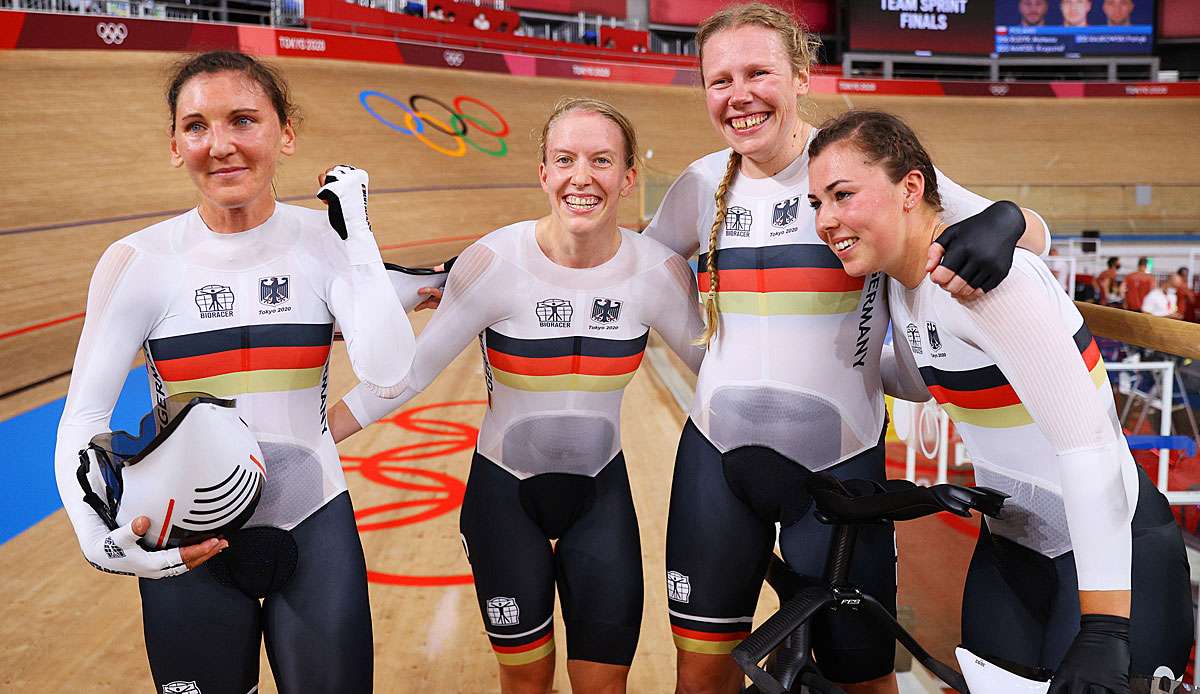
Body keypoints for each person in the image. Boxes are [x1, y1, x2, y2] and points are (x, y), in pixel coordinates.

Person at [641, 5, 1051, 693]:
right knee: (702, 672)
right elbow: (642, 274)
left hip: (839, 465)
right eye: (720, 80)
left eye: (758, 72)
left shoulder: (860, 167)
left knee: (861, 676)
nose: (739, 94)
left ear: (802, 74)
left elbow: (1035, 233)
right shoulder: (700, 181)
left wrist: (1007, 220)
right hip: (715, 460)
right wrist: (704, 354)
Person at [53, 51, 416, 694]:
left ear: (286, 133)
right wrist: (93, 537)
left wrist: (358, 237)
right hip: (183, 541)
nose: (220, 145)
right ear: (175, 145)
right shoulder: (137, 261)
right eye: (196, 127)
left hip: (312, 520)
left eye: (243, 120)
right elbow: (83, 416)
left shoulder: (327, 242)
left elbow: (388, 369)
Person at [807, 109, 1192, 693]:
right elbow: (928, 377)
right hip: (1012, 544)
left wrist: (1108, 627)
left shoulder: (989, 280)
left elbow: (1087, 445)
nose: (825, 220)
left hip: (1112, 553)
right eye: (816, 202)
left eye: (842, 195)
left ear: (911, 189)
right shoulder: (905, 284)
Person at [329, 98, 706, 694]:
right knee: (526, 683)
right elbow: (406, 375)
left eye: (601, 160)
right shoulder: (494, 261)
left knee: (604, 686)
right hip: (504, 500)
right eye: (565, 160)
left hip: (600, 500)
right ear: (545, 173)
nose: (582, 176)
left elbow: (717, 372)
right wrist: (312, 438)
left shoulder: (658, 272)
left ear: (629, 177)